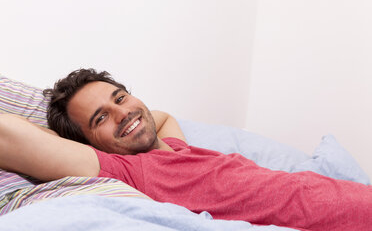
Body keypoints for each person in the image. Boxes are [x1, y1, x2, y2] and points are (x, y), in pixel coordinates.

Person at [0, 68, 371, 231]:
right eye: (101, 118)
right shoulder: (130, 170)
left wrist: (124, 115)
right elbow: (9, 137)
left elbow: (159, 118)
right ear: (86, 144)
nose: (123, 113)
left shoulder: (174, 148)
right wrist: (54, 132)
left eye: (121, 97)